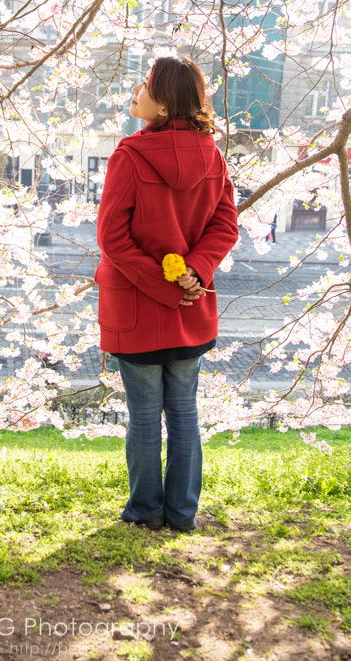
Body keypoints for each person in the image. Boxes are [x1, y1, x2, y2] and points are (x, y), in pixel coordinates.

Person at [95, 55, 239, 533]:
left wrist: (162, 286)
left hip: (137, 306)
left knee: (143, 416)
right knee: (183, 411)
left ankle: (144, 512)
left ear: (163, 105)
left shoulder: (130, 156)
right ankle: (182, 514)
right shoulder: (212, 156)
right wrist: (192, 274)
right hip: (190, 306)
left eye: (147, 84)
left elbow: (113, 239)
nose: (136, 88)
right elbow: (224, 225)